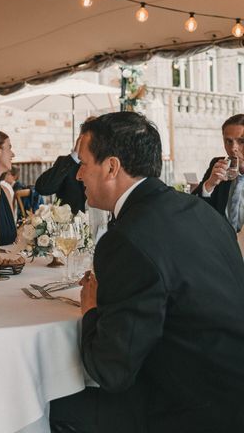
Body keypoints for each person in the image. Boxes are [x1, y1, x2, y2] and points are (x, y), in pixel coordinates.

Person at [50, 112, 244, 432]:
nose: (79, 175)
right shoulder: (199, 210)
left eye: (83, 163)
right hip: (229, 387)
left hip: (194, 410)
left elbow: (111, 371)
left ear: (112, 167)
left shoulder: (127, 239)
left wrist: (93, 311)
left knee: (52, 408)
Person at [192, 113, 244, 234]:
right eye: (228, 141)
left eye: (242, 141)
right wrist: (209, 185)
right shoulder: (218, 165)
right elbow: (196, 207)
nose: (233, 148)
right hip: (220, 242)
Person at [34, 119, 95, 214]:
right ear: (80, 139)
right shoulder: (66, 163)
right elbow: (42, 188)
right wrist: (74, 157)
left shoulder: (107, 165)